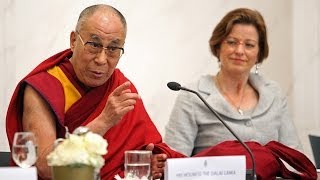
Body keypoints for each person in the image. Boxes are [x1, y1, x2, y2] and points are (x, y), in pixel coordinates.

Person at [6, 4, 183, 180]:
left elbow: (143, 150)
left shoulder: (119, 87)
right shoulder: (44, 87)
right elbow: (45, 167)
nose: (101, 59)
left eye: (113, 49)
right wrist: (104, 121)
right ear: (74, 41)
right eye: (94, 44)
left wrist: (146, 165)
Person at [164, 8, 302, 157]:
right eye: (232, 42)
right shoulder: (192, 96)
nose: (239, 51)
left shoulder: (274, 94)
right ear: (218, 46)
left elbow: (296, 158)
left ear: (259, 53)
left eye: (249, 45)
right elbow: (174, 162)